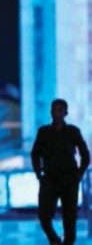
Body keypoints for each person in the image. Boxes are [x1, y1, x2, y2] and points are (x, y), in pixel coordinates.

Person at [31, 99, 90, 245]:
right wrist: (39, 174)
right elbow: (35, 154)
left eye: (60, 110)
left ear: (65, 113)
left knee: (69, 220)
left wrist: (79, 174)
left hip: (69, 179)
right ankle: (55, 241)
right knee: (44, 216)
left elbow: (86, 155)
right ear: (51, 112)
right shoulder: (43, 132)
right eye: (54, 110)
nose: (56, 113)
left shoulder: (72, 131)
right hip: (49, 179)